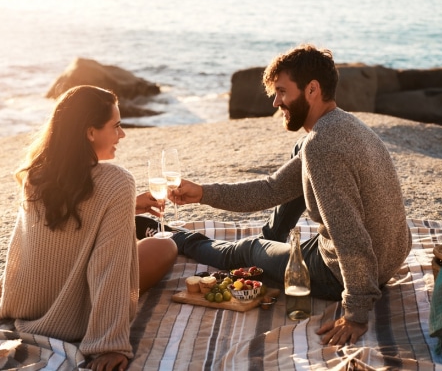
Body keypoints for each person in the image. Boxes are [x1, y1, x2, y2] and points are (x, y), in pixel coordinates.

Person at [150, 44, 412, 346]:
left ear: (312, 89)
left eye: (283, 92)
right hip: (390, 255)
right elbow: (271, 189)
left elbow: (349, 235)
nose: (276, 102)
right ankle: (273, 239)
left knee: (246, 250)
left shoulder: (323, 146)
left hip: (343, 272)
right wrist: (203, 193)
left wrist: (356, 313)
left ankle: (176, 238)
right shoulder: (346, 124)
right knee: (301, 149)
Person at [0, 85, 177, 371]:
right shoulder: (118, 180)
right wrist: (108, 344)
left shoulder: (37, 174)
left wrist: (3, 295)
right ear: (90, 132)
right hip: (76, 317)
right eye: (116, 126)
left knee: (128, 240)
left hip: (26, 304)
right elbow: (108, 265)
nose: (122, 135)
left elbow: (25, 244)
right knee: (164, 245)